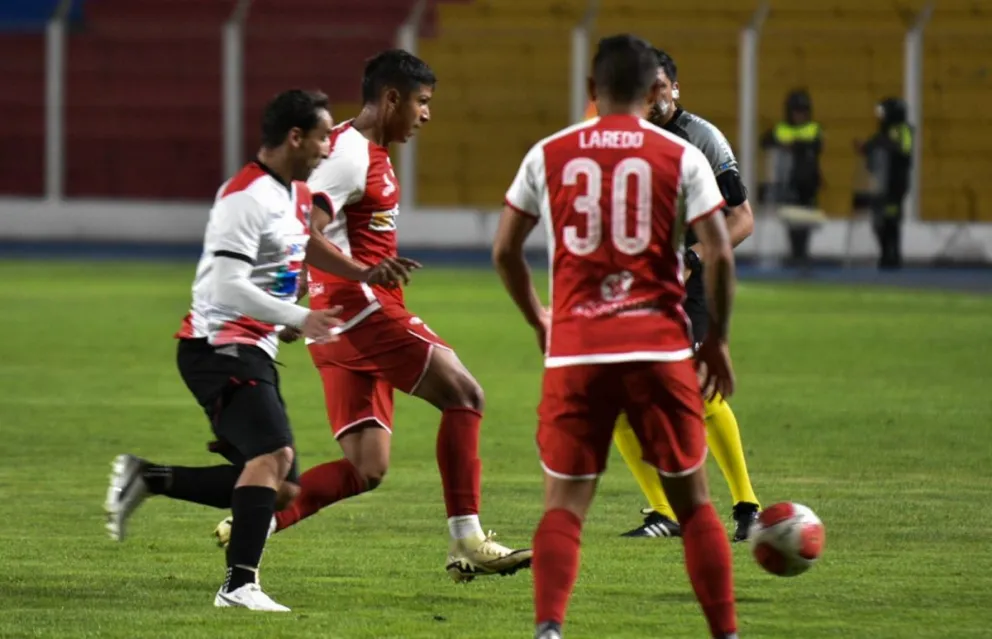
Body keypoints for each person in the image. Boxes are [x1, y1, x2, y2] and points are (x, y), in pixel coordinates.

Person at [213, 50, 532, 583]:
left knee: (367, 466)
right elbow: (302, 230)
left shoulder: (354, 149)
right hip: (361, 310)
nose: (425, 115)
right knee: (466, 395)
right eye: (421, 102)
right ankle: (468, 539)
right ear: (391, 99)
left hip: (336, 323)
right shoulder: (350, 153)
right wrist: (355, 277)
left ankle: (256, 520)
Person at [494, 34, 739, 639]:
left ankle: (549, 628)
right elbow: (720, 253)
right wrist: (718, 341)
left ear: (590, 90)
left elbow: (505, 249)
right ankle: (726, 632)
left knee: (566, 505)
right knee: (695, 503)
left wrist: (537, 317)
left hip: (577, 348)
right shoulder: (681, 156)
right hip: (658, 347)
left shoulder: (548, 153)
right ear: (655, 88)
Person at [103, 89, 361, 611]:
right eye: (321, 136)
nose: (327, 147)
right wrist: (298, 316)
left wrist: (286, 314)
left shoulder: (293, 193)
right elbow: (225, 286)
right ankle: (239, 585)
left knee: (281, 489)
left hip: (252, 346)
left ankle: (147, 477)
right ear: (295, 137)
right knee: (273, 457)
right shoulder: (244, 196)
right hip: (217, 347)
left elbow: (275, 268)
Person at [586, 48, 761, 541]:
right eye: (645, 87)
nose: (654, 95)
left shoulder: (700, 137)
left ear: (675, 88)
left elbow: (742, 218)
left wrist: (692, 257)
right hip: (632, 281)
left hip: (689, 279)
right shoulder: (622, 141)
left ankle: (746, 506)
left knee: (696, 388)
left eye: (661, 86)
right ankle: (663, 512)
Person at [760, 89, 823, 267]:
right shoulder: (781, 128)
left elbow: (815, 144)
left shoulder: (813, 128)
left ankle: (802, 252)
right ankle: (795, 253)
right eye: (796, 111)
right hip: (787, 181)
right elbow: (765, 141)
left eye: (802, 111)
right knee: (791, 220)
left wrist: (792, 145)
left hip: (807, 183)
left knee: (805, 221)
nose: (799, 115)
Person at [855, 97, 913, 270]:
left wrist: (872, 145)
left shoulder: (903, 130)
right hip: (881, 183)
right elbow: (875, 148)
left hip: (895, 185)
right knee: (879, 220)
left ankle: (892, 255)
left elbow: (900, 149)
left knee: (891, 220)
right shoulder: (883, 134)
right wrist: (866, 148)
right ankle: (885, 253)